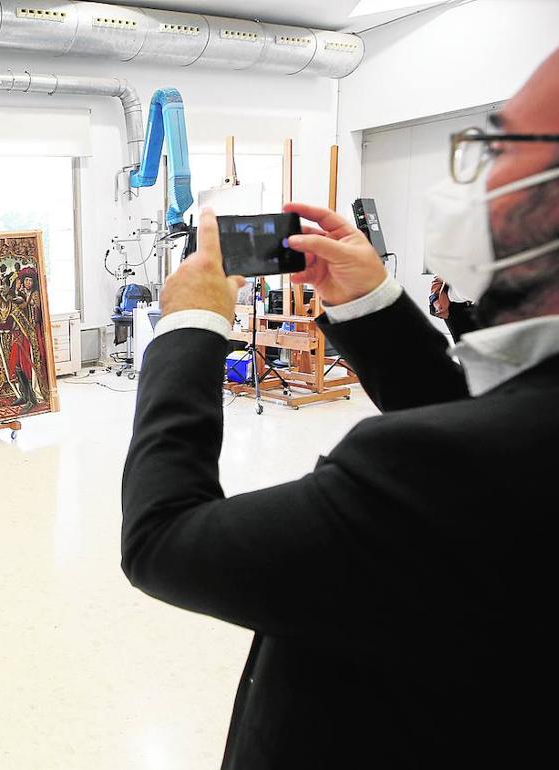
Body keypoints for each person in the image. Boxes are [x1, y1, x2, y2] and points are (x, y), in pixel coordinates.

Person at [120, 51, 559, 770]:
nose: (479, 176)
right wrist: (368, 302)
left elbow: (164, 541)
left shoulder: (436, 473)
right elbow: (483, 419)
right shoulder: (518, 439)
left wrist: (191, 325)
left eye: (502, 145)